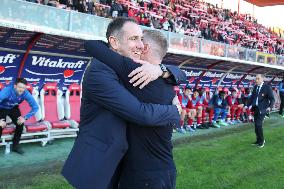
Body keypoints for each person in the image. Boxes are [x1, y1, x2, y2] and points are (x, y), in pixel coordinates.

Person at [62, 17, 186, 189]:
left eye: (141, 39)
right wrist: (174, 111)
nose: (140, 45)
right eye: (133, 39)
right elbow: (140, 113)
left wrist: (161, 70)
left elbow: (179, 73)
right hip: (100, 163)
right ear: (114, 42)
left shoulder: (134, 69)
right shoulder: (99, 72)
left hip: (123, 163)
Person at [0, 78, 39, 154]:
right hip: (2, 108)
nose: (21, 89)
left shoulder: (26, 93)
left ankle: (15, 146)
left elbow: (35, 107)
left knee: (20, 124)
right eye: (19, 87)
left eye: (23, 88)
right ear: (15, 86)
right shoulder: (7, 91)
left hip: (13, 107)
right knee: (0, 125)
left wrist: (25, 117)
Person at [248, 74, 275, 148]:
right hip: (255, 108)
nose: (256, 80)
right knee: (256, 125)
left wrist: (270, 107)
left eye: (258, 78)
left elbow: (272, 99)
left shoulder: (267, 87)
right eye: (256, 79)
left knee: (258, 125)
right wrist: (246, 105)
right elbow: (252, 97)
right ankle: (258, 140)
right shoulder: (255, 87)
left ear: (262, 79)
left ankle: (262, 141)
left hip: (262, 109)